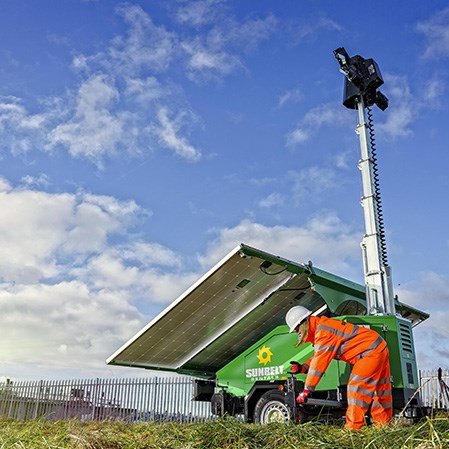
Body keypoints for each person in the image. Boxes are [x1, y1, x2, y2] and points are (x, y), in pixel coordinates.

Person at [285, 305, 393, 430]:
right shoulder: (323, 328)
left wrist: (307, 389)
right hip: (378, 346)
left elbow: (320, 360)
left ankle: (352, 430)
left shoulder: (323, 332)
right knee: (381, 390)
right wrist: (302, 368)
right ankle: (383, 426)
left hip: (370, 352)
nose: (297, 332)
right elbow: (319, 356)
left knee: (356, 388)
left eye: (297, 329)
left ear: (304, 323)